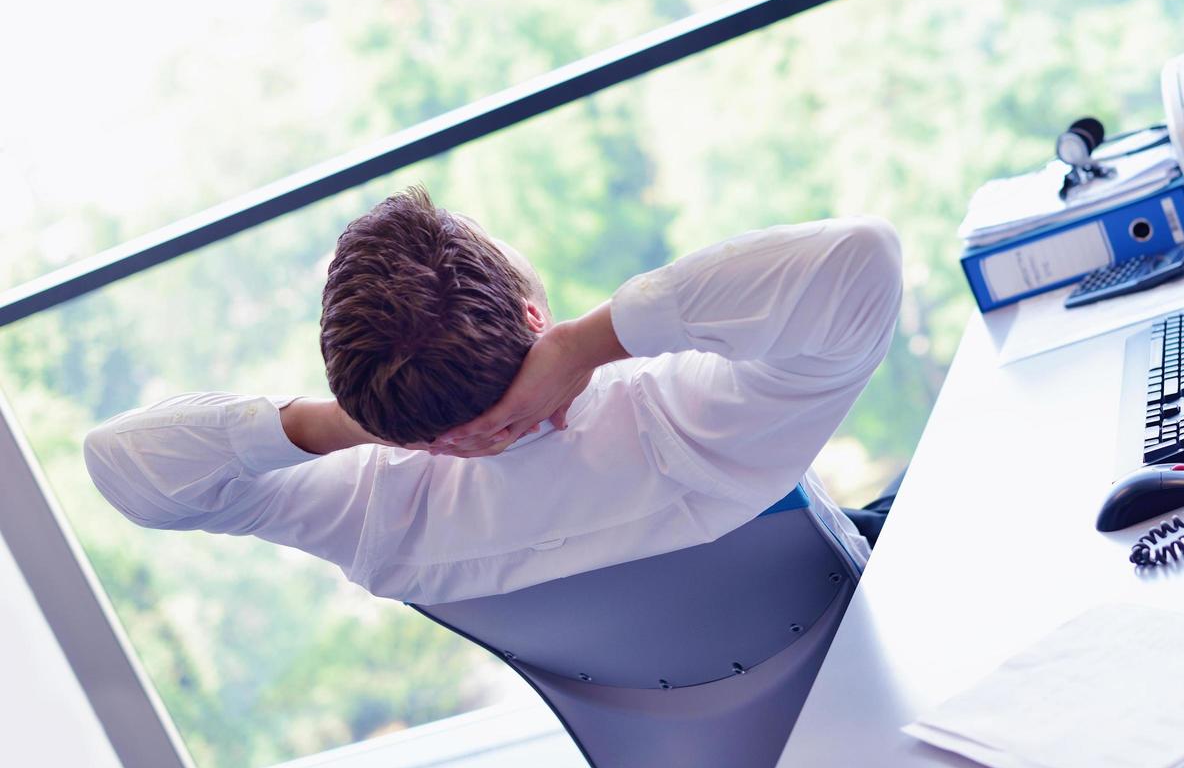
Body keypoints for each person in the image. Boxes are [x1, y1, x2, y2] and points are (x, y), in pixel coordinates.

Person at [84, 187, 903, 605]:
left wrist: (341, 427)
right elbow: (860, 262)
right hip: (864, 643)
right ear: (533, 317)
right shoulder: (680, 419)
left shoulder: (371, 517)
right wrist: (590, 345)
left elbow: (120, 466)